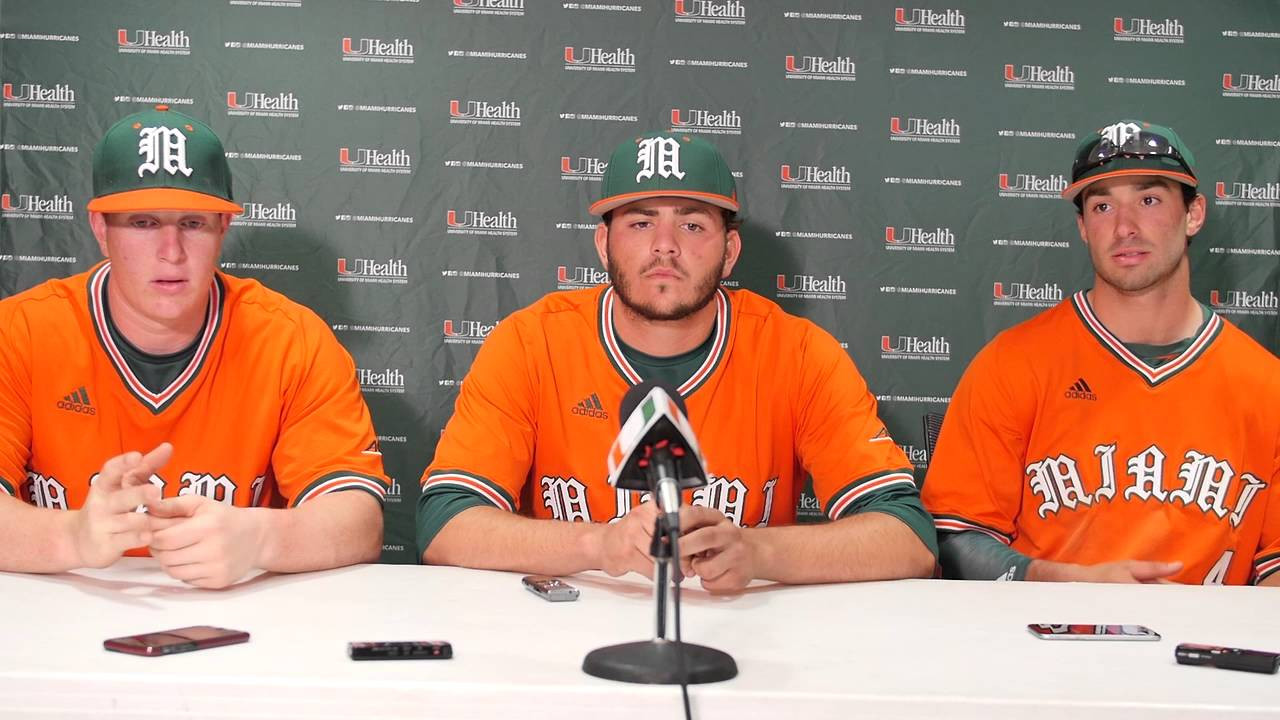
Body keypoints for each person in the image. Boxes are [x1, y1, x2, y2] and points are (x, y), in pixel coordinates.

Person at [419, 132, 937, 592]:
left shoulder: (798, 353)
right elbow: (445, 525)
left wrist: (761, 553)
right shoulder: (531, 344)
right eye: (641, 223)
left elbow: (909, 540)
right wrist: (600, 546)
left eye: (691, 226)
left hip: (742, 632)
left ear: (729, 252)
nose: (664, 246)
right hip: (569, 634)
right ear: (604, 244)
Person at [0, 105, 388, 588]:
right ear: (100, 228)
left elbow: (360, 519)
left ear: (222, 229)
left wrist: (263, 539)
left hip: (235, 618)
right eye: (142, 223)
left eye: (193, 223)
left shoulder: (292, 339)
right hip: (62, 618)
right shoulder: (19, 331)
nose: (171, 251)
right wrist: (71, 538)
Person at [922, 119, 1280, 585]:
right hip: (1045, 644)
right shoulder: (1013, 364)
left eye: (1148, 200)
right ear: (1083, 227)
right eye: (1103, 205)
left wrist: (1212, 621)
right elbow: (954, 540)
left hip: (1199, 653)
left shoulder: (1265, 384)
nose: (1125, 227)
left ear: (1194, 213)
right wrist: (1066, 584)